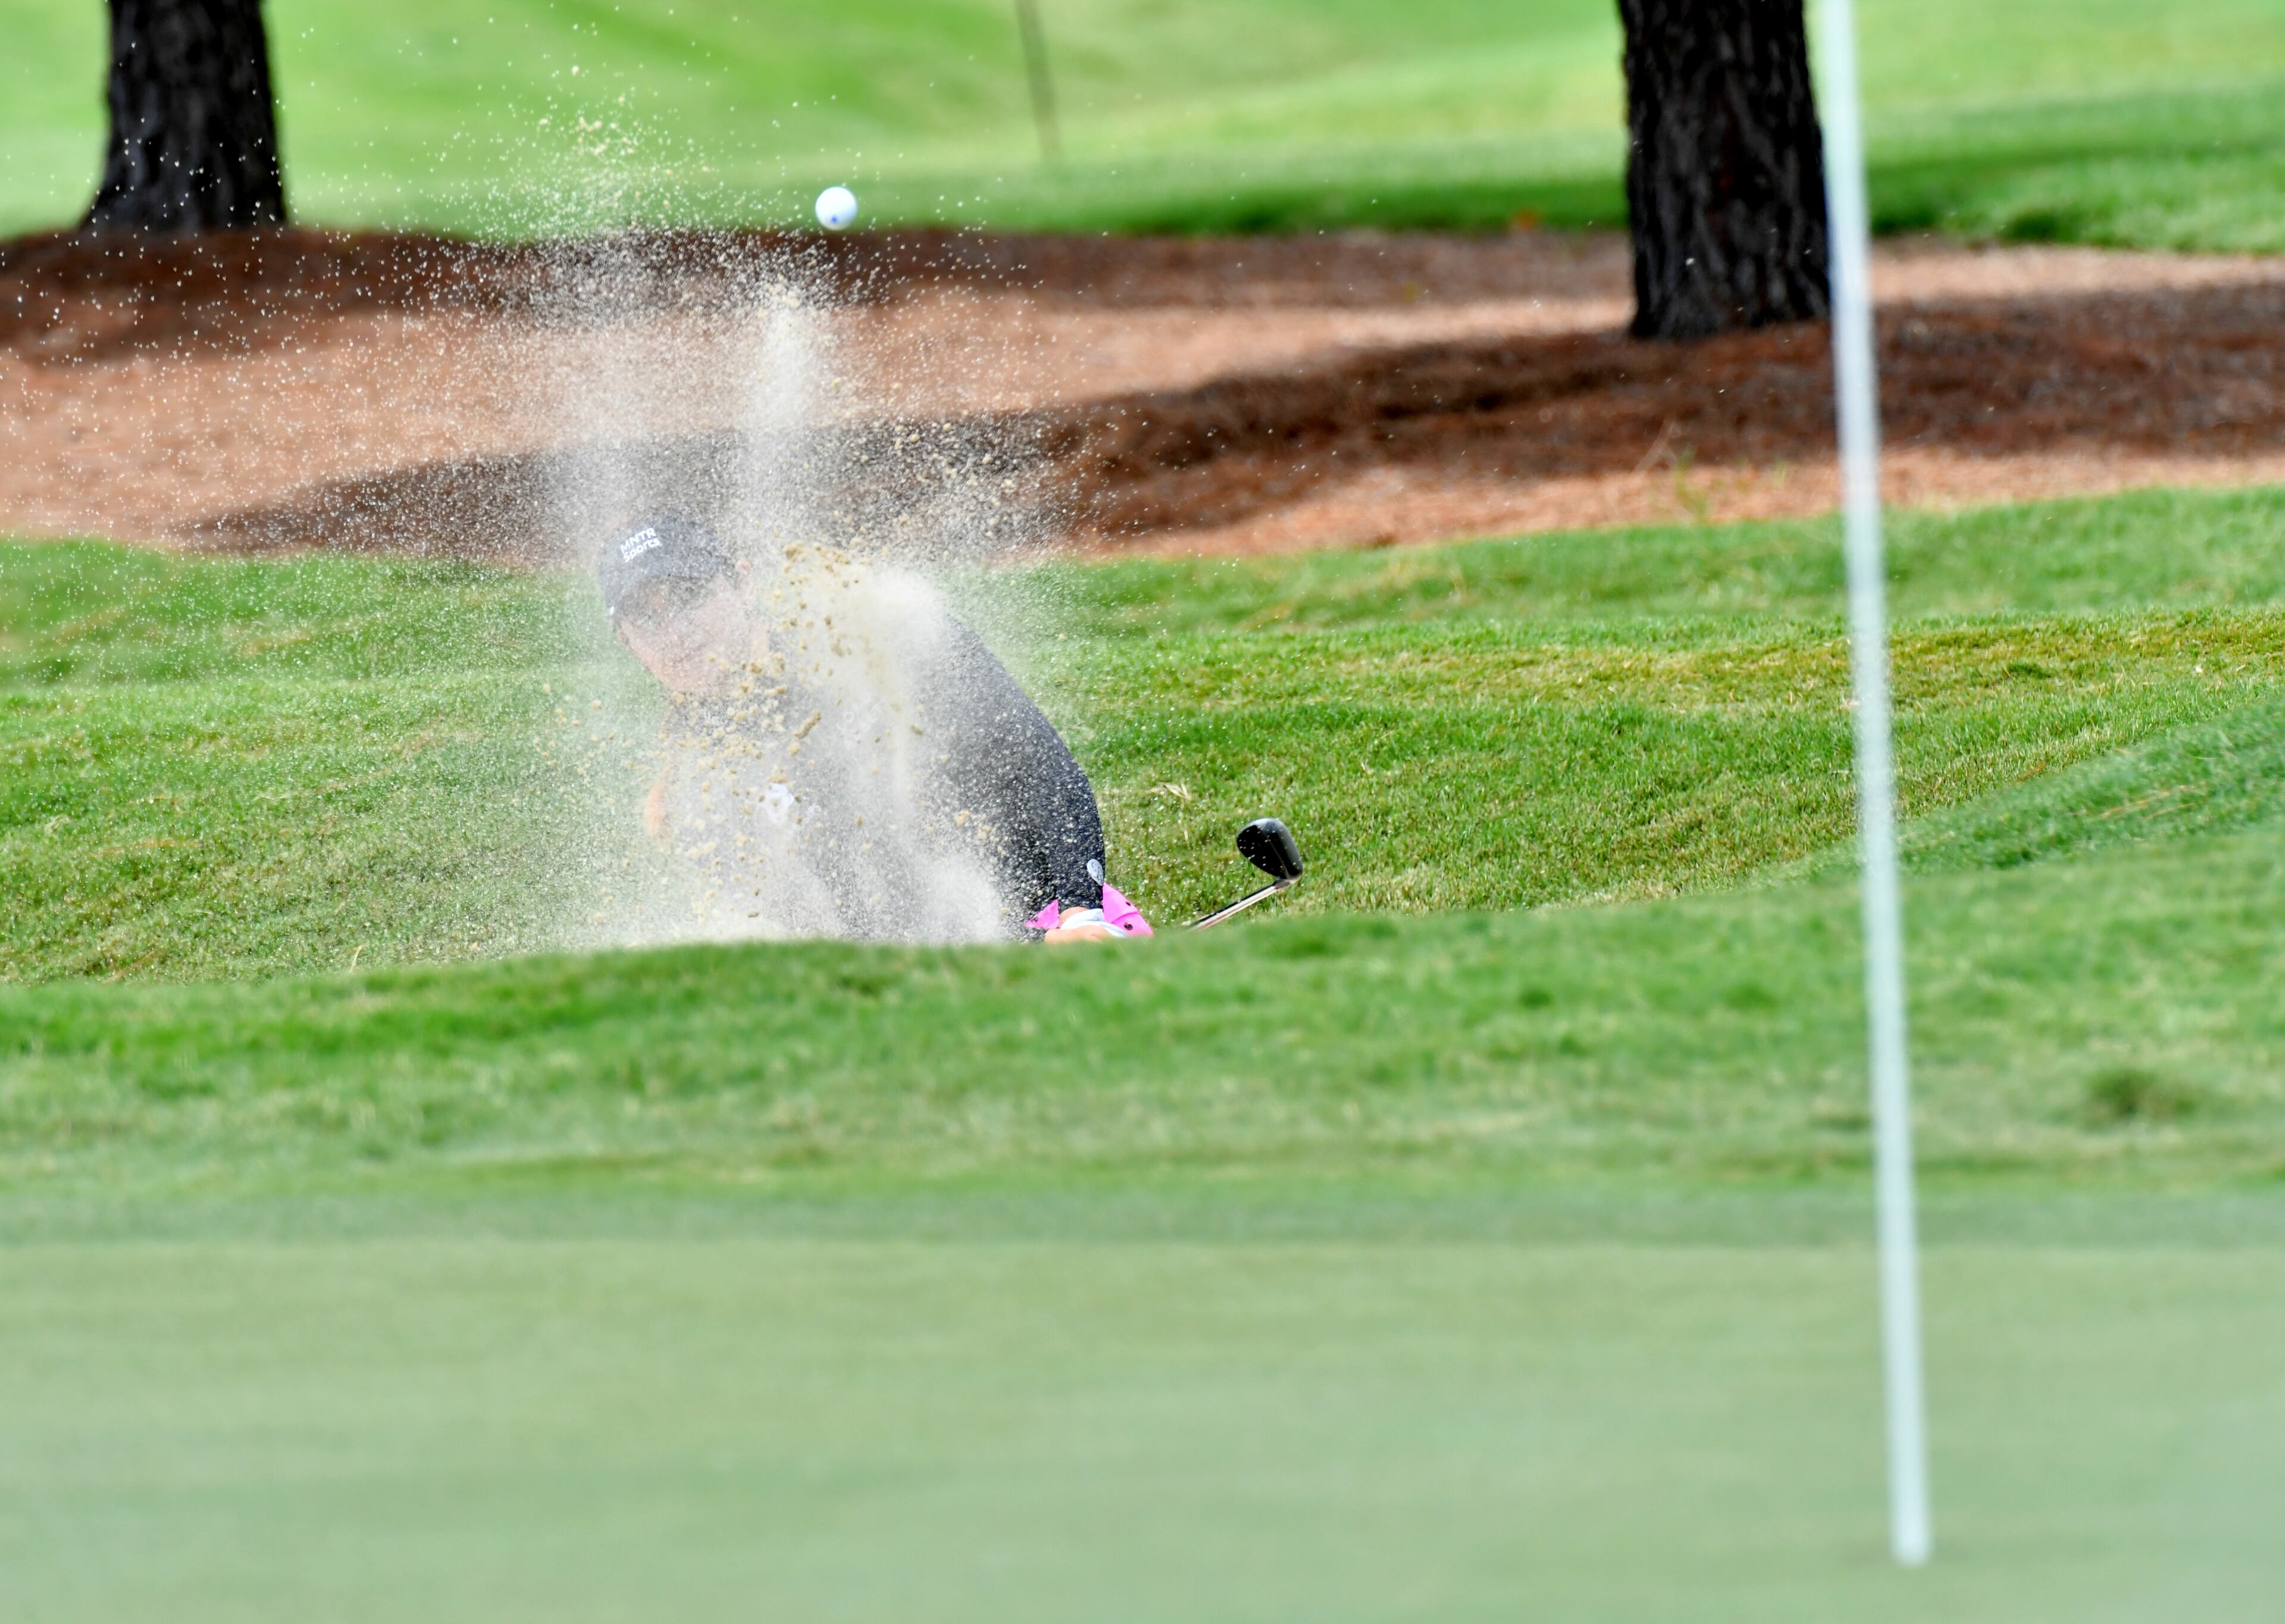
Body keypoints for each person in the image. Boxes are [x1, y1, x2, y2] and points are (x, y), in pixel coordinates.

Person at [598, 512, 1151, 944]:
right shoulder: (698, 797)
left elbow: (1035, 762)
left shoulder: (880, 639)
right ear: (629, 645)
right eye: (647, 618)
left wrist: (1081, 909)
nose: (678, 630)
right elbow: (818, 927)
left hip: (1046, 918)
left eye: (691, 595)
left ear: (743, 583)